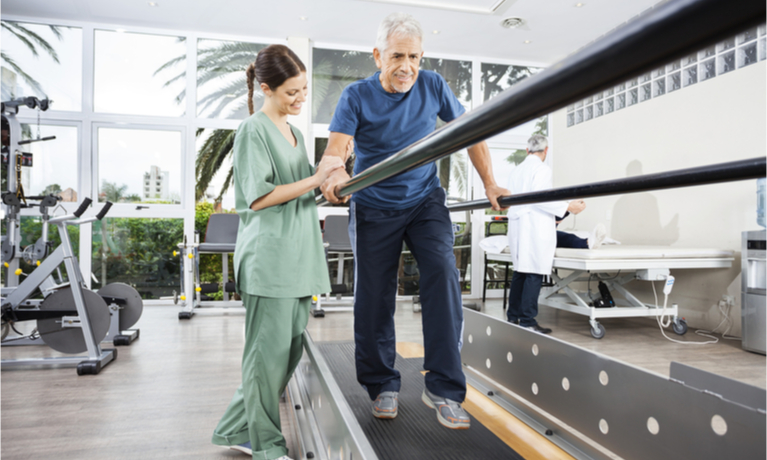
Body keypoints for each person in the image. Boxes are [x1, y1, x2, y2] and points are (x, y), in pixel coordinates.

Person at [319, 12, 510, 430]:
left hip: (425, 200)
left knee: (442, 273)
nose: (407, 66)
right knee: (374, 296)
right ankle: (382, 383)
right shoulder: (357, 96)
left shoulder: (433, 85)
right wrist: (335, 173)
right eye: (397, 56)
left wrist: (491, 184)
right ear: (377, 56)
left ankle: (443, 387)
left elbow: (470, 132)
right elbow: (335, 151)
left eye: (415, 57)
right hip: (373, 205)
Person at [210, 44, 344, 460]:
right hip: (270, 260)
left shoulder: (295, 132)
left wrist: (329, 181)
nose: (301, 98)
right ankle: (265, 444)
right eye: (292, 92)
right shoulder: (253, 129)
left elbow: (302, 189)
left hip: (299, 254)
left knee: (286, 355)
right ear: (266, 88)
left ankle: (234, 426)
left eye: (304, 89)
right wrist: (315, 177)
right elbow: (259, 197)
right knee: (265, 359)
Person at [506, 134, 582, 334]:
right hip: (533, 226)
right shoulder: (541, 169)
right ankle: (528, 321)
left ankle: (513, 317)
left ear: (526, 150)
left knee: (520, 271)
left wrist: (560, 212)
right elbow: (542, 197)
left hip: (519, 223)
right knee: (534, 271)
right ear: (546, 151)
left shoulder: (516, 171)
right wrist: (569, 206)